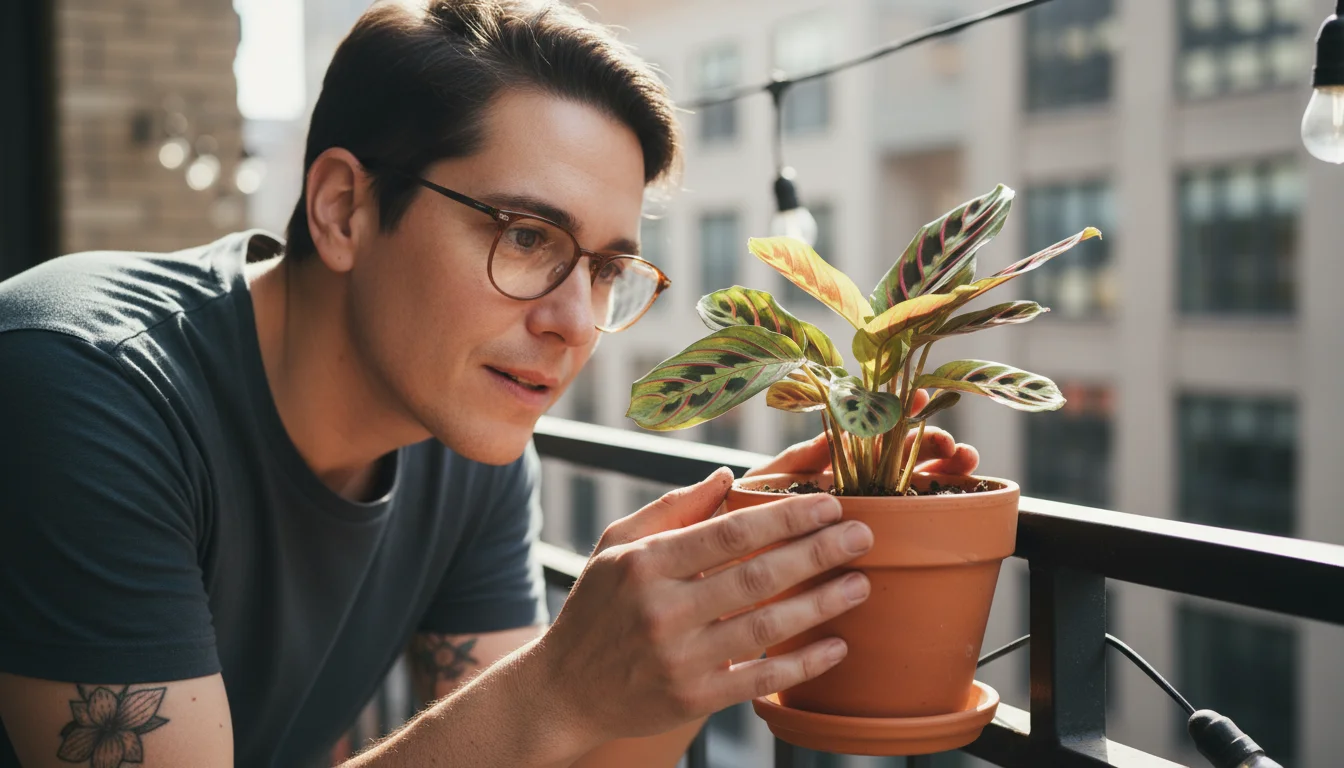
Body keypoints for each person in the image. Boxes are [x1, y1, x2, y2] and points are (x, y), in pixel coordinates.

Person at [0, 1, 980, 766]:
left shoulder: (464, 430)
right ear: (343, 207)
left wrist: (700, 632)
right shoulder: (84, 386)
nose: (574, 322)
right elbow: (531, 710)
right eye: (525, 237)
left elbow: (518, 751)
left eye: (604, 268)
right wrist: (560, 683)